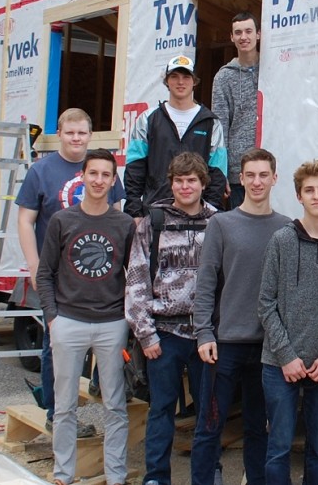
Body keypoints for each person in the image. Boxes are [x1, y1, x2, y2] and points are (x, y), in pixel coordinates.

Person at [15, 107, 123, 436]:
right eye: (70, 132)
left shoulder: (101, 169)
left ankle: (97, 387)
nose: (76, 139)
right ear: (59, 134)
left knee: (103, 340)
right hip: (59, 277)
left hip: (99, 274)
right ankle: (55, 411)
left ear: (90, 136)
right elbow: (25, 220)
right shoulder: (41, 171)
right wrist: (35, 266)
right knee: (55, 345)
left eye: (82, 133)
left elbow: (118, 217)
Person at [36, 148, 136, 485]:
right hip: (69, 321)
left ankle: (116, 476)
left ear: (113, 180)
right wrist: (53, 319)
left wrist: (129, 321)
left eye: (106, 175)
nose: (99, 180)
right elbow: (44, 273)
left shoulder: (124, 225)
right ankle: (63, 473)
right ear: (82, 176)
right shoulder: (63, 221)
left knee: (115, 406)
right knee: (64, 407)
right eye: (93, 173)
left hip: (111, 324)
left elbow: (134, 276)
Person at [193, 148, 290, 485]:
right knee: (210, 425)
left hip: (267, 348)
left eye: (264, 175)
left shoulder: (287, 229)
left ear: (274, 179)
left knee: (258, 427)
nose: (257, 181)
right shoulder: (221, 223)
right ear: (240, 179)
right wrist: (204, 332)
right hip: (225, 344)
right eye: (250, 175)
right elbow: (205, 282)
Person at [259, 160, 318, 485]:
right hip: (278, 365)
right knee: (278, 447)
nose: (316, 196)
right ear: (299, 196)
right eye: (309, 190)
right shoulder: (281, 242)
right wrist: (286, 356)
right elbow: (266, 303)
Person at [125, 152, 219, 485]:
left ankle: (208, 475)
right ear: (172, 183)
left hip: (205, 335)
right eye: (179, 180)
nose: (185, 186)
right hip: (163, 333)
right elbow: (136, 278)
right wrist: (145, 334)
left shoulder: (219, 222)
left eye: (191, 180)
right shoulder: (155, 221)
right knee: (162, 409)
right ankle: (156, 477)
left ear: (202, 183)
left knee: (208, 412)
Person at [125, 54, 228, 218]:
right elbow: (135, 168)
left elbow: (217, 173)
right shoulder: (148, 119)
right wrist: (134, 211)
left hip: (196, 215)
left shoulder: (210, 122)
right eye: (174, 76)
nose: (180, 82)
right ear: (166, 81)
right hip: (155, 212)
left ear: (194, 81)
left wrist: (211, 212)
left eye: (186, 77)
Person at [212, 12, 261, 209]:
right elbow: (220, 126)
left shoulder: (274, 68)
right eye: (238, 33)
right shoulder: (223, 77)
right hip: (238, 171)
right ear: (232, 37)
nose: (244, 37)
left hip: (272, 165)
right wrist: (221, 171)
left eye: (248, 31)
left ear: (258, 34)